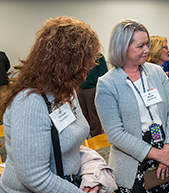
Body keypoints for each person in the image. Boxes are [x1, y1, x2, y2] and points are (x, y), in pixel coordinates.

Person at [0, 16, 114, 193]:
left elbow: (71, 145)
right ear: (66, 63)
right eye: (84, 62)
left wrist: (90, 177)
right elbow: (35, 178)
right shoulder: (29, 102)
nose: (88, 68)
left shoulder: (66, 90)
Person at [95, 19, 169, 193]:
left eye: (147, 44)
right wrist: (158, 155)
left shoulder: (156, 73)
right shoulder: (107, 84)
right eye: (140, 46)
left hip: (164, 151)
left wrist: (168, 147)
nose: (147, 50)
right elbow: (115, 134)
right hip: (133, 161)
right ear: (122, 47)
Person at [77, 53, 108, 137]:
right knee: (81, 116)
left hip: (92, 89)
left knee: (93, 116)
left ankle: (96, 137)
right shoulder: (79, 56)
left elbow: (104, 74)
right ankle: (83, 138)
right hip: (80, 89)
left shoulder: (98, 57)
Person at [0, 51, 10, 121]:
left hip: (3, 81)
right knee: (3, 101)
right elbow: (8, 66)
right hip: (3, 81)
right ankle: (2, 119)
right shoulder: (2, 54)